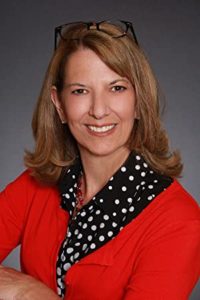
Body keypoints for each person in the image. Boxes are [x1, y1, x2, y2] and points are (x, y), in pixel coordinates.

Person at [0, 20, 199, 300]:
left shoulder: (178, 221)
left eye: (116, 88)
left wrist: (27, 292)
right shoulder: (35, 185)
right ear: (60, 105)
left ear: (139, 100)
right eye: (80, 91)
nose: (99, 110)